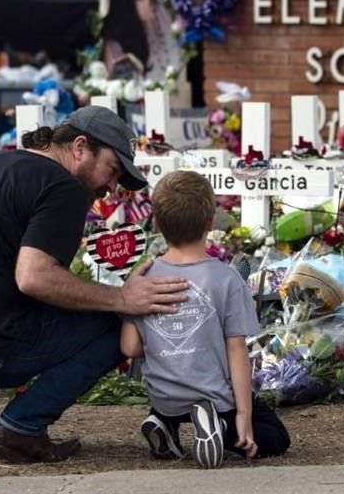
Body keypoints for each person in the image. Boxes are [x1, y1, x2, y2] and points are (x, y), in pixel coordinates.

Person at [0, 106, 189, 464]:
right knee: (118, 325)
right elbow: (34, 277)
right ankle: (22, 429)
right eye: (113, 170)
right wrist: (122, 297)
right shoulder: (63, 187)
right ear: (80, 147)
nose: (112, 188)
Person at [120, 170, 290, 469]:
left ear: (156, 223)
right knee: (276, 436)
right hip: (213, 397)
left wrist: (129, 293)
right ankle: (220, 429)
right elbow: (237, 350)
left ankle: (162, 423)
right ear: (211, 223)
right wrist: (243, 417)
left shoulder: (145, 279)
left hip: (165, 398)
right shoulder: (226, 278)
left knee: (173, 387)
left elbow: (130, 349)